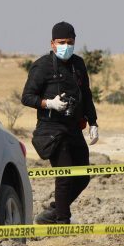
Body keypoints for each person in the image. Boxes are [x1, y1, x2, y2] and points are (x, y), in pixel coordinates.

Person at [21, 21, 98, 224]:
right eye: (61, 42)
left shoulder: (79, 64)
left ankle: (55, 211)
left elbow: (87, 95)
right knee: (64, 176)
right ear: (52, 43)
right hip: (51, 130)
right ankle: (62, 221)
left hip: (74, 128)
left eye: (69, 42)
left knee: (82, 177)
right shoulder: (42, 66)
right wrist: (49, 104)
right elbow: (27, 97)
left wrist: (93, 122)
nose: (66, 46)